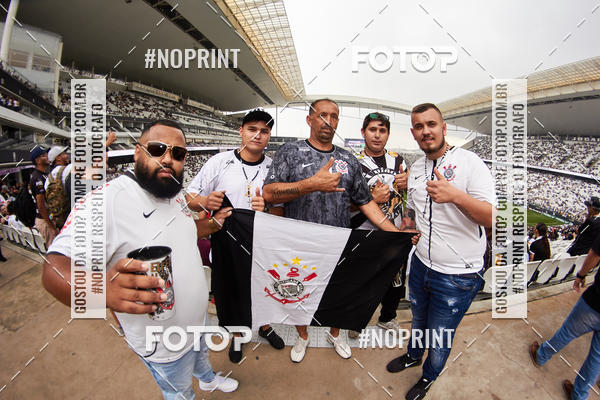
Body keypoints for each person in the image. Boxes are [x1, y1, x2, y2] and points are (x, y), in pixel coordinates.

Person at [42, 120, 238, 398]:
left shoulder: (173, 193)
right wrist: (102, 291)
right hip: (162, 343)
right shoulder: (107, 201)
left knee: (202, 357)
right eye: (157, 149)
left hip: (197, 321)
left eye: (178, 153)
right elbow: (54, 268)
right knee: (180, 392)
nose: (168, 159)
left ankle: (207, 379)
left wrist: (213, 224)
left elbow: (184, 231)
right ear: (137, 152)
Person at [262, 98, 404, 363]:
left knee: (339, 294)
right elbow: (269, 193)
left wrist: (395, 234)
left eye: (334, 116)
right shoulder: (289, 152)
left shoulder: (347, 159)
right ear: (309, 119)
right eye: (322, 115)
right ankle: (303, 336)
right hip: (299, 244)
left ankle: (335, 334)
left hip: (338, 243)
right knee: (300, 293)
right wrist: (311, 184)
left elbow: (366, 203)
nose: (328, 121)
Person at [386, 103, 496, 400]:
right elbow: (412, 209)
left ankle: (429, 376)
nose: (426, 131)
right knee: (419, 321)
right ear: (413, 133)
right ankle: (413, 355)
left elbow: (490, 218)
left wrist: (456, 196)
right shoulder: (416, 167)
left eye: (431, 124)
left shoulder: (470, 162)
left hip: (457, 275)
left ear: (443, 128)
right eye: (419, 127)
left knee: (440, 335)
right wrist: (408, 228)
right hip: (421, 264)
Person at [186, 109, 285, 363]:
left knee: (264, 288)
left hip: (260, 241)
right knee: (231, 290)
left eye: (264, 131)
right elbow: (190, 197)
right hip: (226, 241)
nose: (257, 135)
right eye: (252, 129)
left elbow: (280, 210)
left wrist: (268, 208)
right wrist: (206, 201)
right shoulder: (219, 162)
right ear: (241, 131)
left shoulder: (273, 168)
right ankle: (238, 335)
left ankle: (264, 326)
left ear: (269, 136)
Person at [350, 112, 409, 335]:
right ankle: (355, 320)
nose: (377, 135)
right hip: (363, 233)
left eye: (382, 130)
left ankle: (387, 318)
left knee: (395, 279)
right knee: (361, 280)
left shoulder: (399, 160)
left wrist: (409, 183)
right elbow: (343, 205)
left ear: (388, 134)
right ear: (363, 132)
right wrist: (371, 199)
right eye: (372, 129)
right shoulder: (353, 163)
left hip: (393, 233)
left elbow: (409, 199)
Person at [529, 233, 600, 400]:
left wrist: (581, 275)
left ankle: (541, 355)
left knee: (567, 332)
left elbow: (595, 254)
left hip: (596, 302)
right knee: (597, 358)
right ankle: (579, 395)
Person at [29, 147, 58, 246]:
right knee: (54, 248)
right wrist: (51, 227)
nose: (47, 156)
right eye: (43, 155)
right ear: (37, 161)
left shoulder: (43, 175)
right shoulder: (37, 178)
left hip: (48, 219)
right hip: (45, 220)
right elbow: (41, 205)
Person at [45, 146, 72, 230]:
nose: (67, 155)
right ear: (58, 158)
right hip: (72, 214)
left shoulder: (47, 180)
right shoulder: (68, 169)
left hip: (60, 220)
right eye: (64, 154)